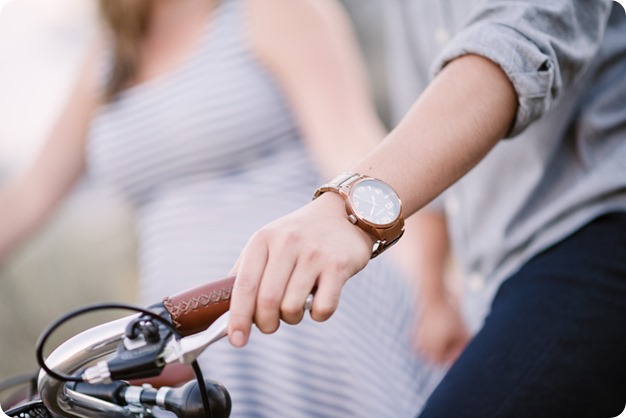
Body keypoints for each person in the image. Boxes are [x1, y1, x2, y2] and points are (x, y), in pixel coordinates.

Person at [0, 0, 448, 416]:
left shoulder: (270, 10)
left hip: (301, 317)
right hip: (191, 339)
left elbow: (355, 151)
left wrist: (430, 289)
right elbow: (28, 196)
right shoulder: (111, 55)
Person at [227, 1, 626, 416]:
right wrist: (432, 291)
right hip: (498, 278)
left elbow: (514, 46)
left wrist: (346, 209)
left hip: (595, 223)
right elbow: (423, 115)